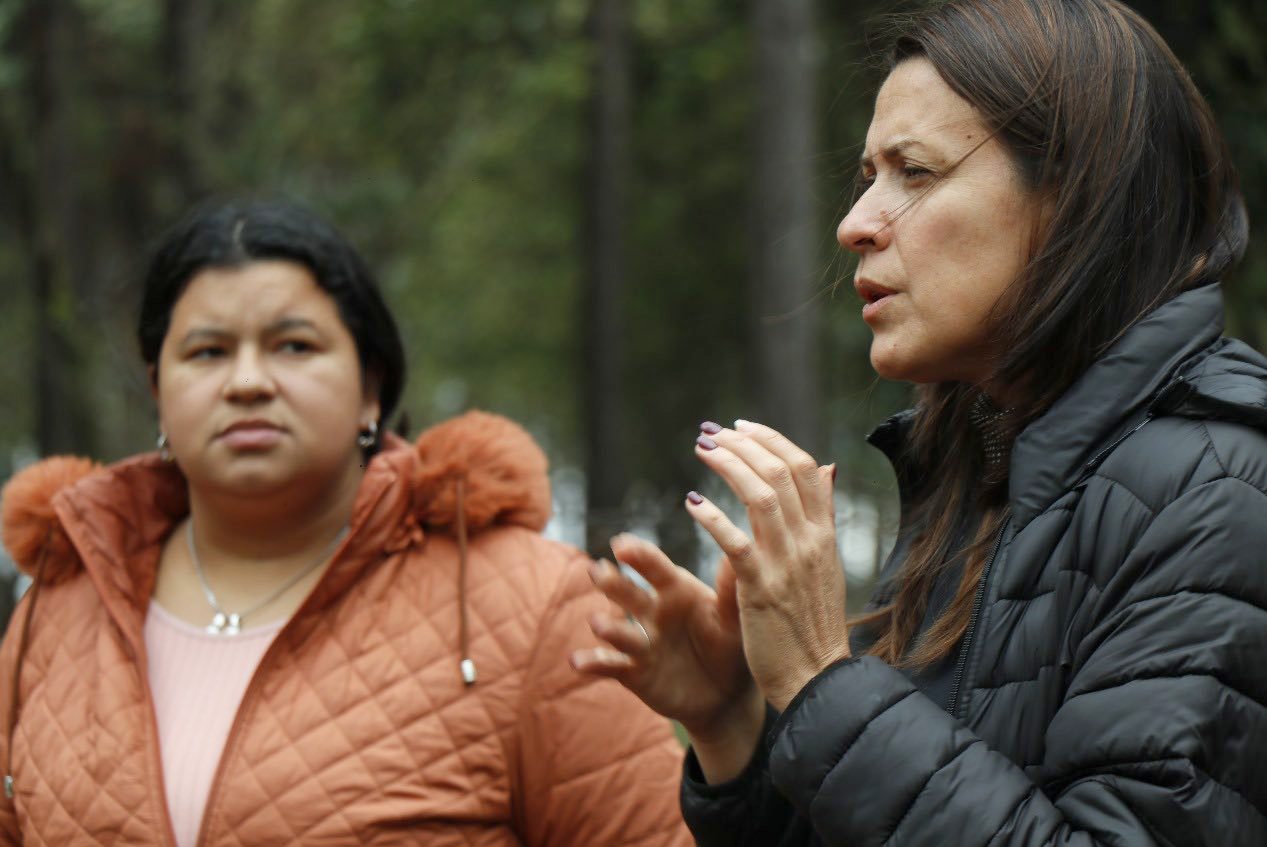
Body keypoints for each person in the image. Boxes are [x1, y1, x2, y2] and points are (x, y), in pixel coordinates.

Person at [572, 0, 1267, 843]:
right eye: (867, 176)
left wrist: (824, 681)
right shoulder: (973, 464)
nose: (855, 222)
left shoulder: (1218, 490)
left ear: (1076, 195)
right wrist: (737, 725)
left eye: (915, 171)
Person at [0, 201, 691, 846]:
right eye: (207, 352)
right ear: (158, 391)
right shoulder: (59, 615)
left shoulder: (525, 602)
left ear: (371, 386)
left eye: (293, 346)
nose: (247, 381)